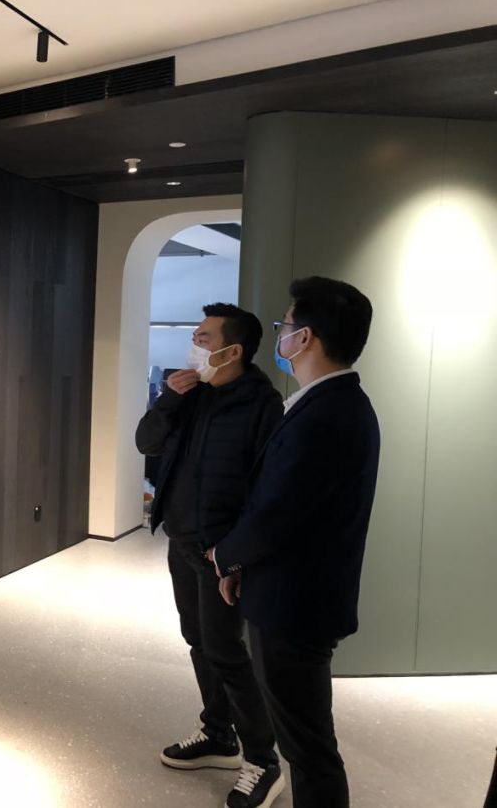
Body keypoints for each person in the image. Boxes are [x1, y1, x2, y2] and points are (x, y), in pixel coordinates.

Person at [211, 277, 380, 808]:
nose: (280, 334)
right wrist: (244, 565)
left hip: (295, 607)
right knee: (304, 741)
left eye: (285, 325)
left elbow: (275, 514)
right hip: (289, 594)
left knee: (307, 749)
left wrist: (225, 555)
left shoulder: (327, 414)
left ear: (304, 337)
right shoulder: (329, 404)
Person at [136, 303, 285, 808]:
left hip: (221, 552)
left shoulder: (262, 404)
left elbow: (267, 490)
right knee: (198, 640)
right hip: (181, 540)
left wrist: (237, 554)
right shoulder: (190, 393)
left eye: (203, 338)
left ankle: (263, 759)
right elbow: (146, 443)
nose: (194, 345)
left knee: (225, 650)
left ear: (232, 350)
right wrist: (168, 401)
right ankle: (219, 734)